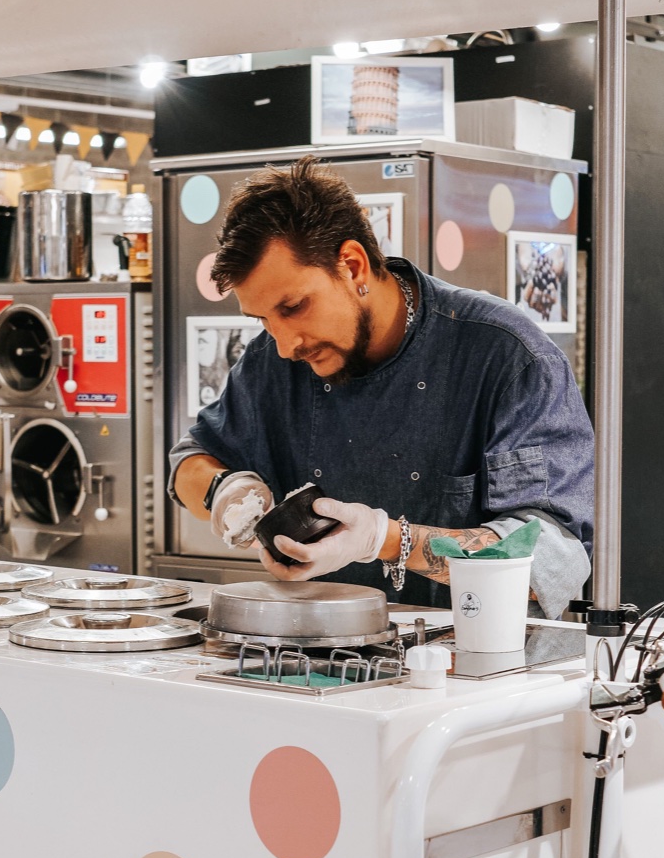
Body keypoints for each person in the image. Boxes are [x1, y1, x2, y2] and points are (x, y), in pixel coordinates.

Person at [170, 158, 593, 615]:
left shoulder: (507, 357)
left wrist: (383, 539)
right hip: (324, 658)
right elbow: (187, 463)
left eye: (293, 307)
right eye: (263, 320)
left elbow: (552, 562)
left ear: (352, 266)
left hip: (473, 664)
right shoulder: (272, 362)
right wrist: (226, 488)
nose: (286, 345)